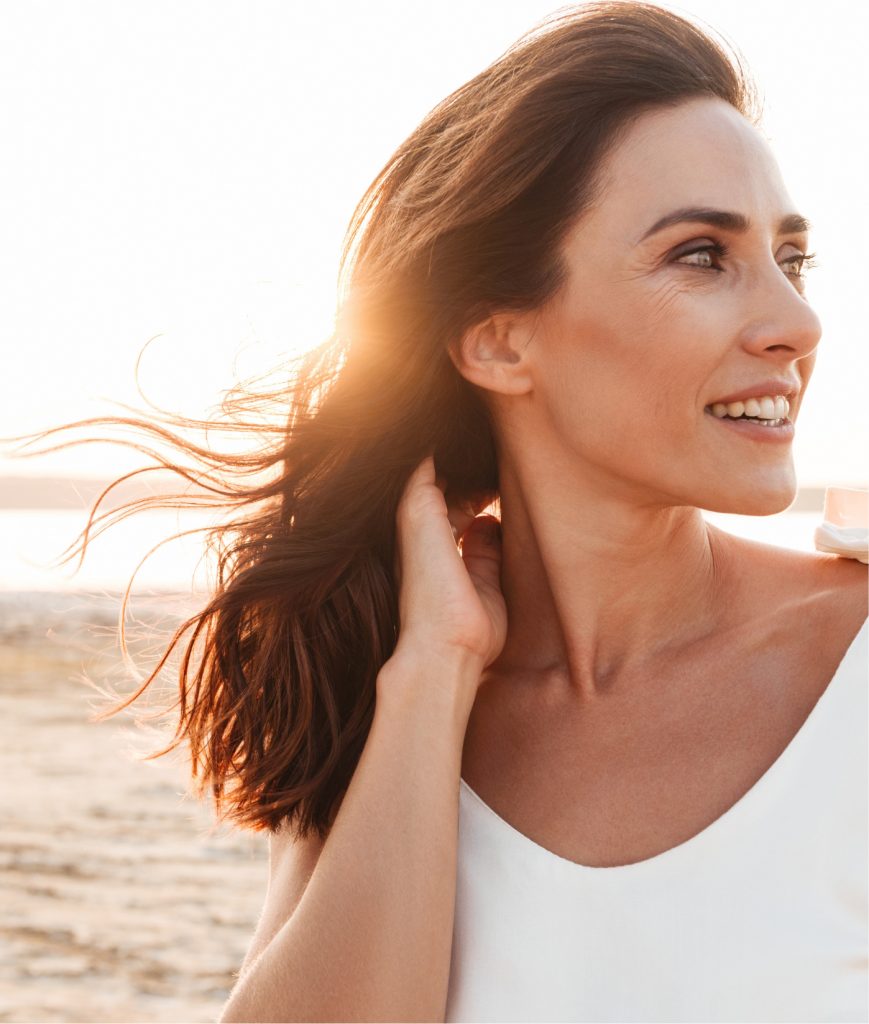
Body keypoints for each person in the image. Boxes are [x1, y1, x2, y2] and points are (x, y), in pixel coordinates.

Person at [22, 1, 865, 1020]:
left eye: (791, 258)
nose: (794, 321)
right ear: (500, 341)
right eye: (699, 255)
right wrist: (430, 674)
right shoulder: (389, 704)